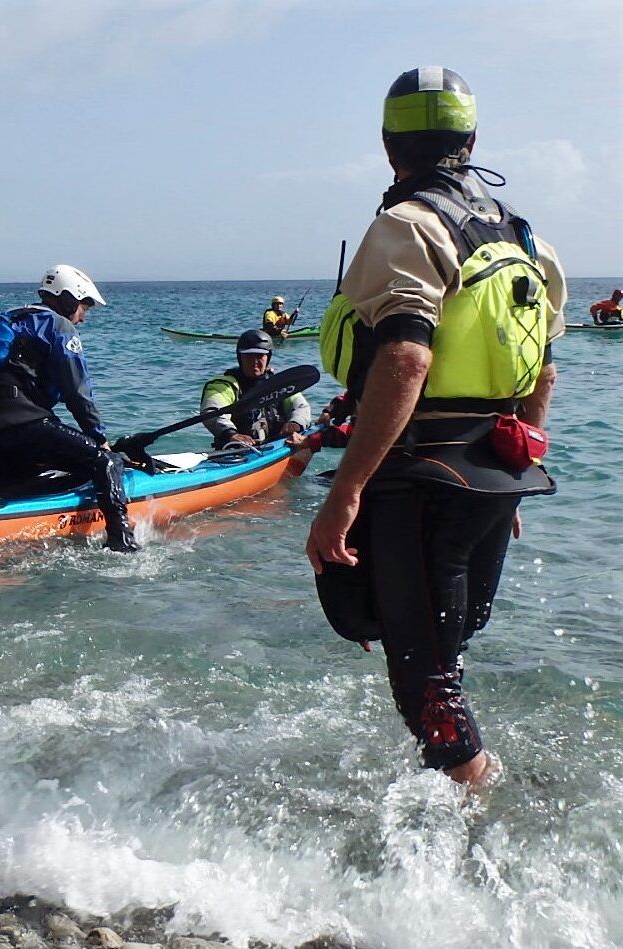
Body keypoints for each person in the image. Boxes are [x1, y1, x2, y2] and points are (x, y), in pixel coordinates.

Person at [305, 67, 566, 787]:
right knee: (440, 654)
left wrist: (346, 491)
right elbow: (541, 372)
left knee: (426, 683)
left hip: (417, 475)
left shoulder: (408, 227)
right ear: (472, 140)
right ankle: (461, 795)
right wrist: (510, 475)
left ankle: (479, 820)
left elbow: (407, 356)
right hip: (493, 472)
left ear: (391, 147)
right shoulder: (524, 240)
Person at [0, 264, 138, 552]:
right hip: (23, 424)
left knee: (3, 488)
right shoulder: (59, 326)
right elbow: (77, 392)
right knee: (105, 462)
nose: (83, 316)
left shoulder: (8, 321)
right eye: (84, 307)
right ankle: (122, 542)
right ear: (69, 298)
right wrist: (100, 439)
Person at [199, 329, 311, 448]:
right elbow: (212, 411)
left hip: (276, 446)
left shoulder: (279, 384)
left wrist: (295, 423)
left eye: (259, 356)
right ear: (240, 357)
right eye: (248, 356)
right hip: (236, 451)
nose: (254, 362)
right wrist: (231, 434)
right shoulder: (224, 386)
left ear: (268, 357)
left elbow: (301, 406)